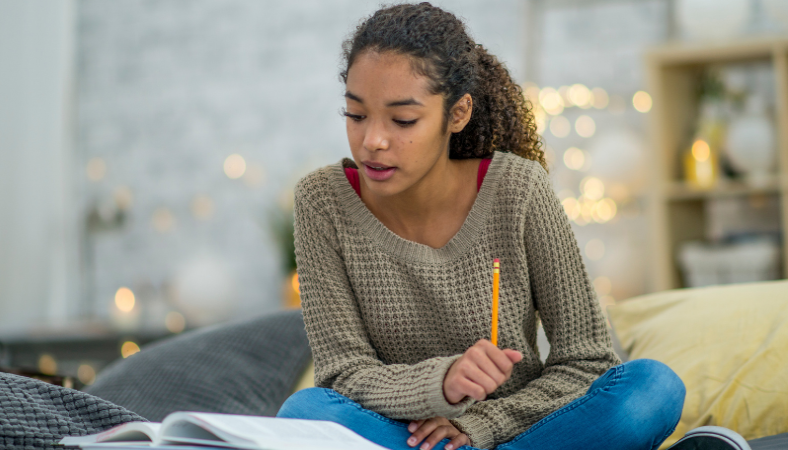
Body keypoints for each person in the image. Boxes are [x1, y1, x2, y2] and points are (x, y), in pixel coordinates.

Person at [277, 3, 686, 450]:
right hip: (405, 436)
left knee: (653, 389)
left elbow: (585, 361)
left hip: (520, 429)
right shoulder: (322, 202)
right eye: (356, 115)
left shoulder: (519, 190)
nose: (372, 140)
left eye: (403, 120)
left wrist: (482, 425)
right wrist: (443, 382)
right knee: (305, 412)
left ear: (457, 114)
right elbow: (343, 373)